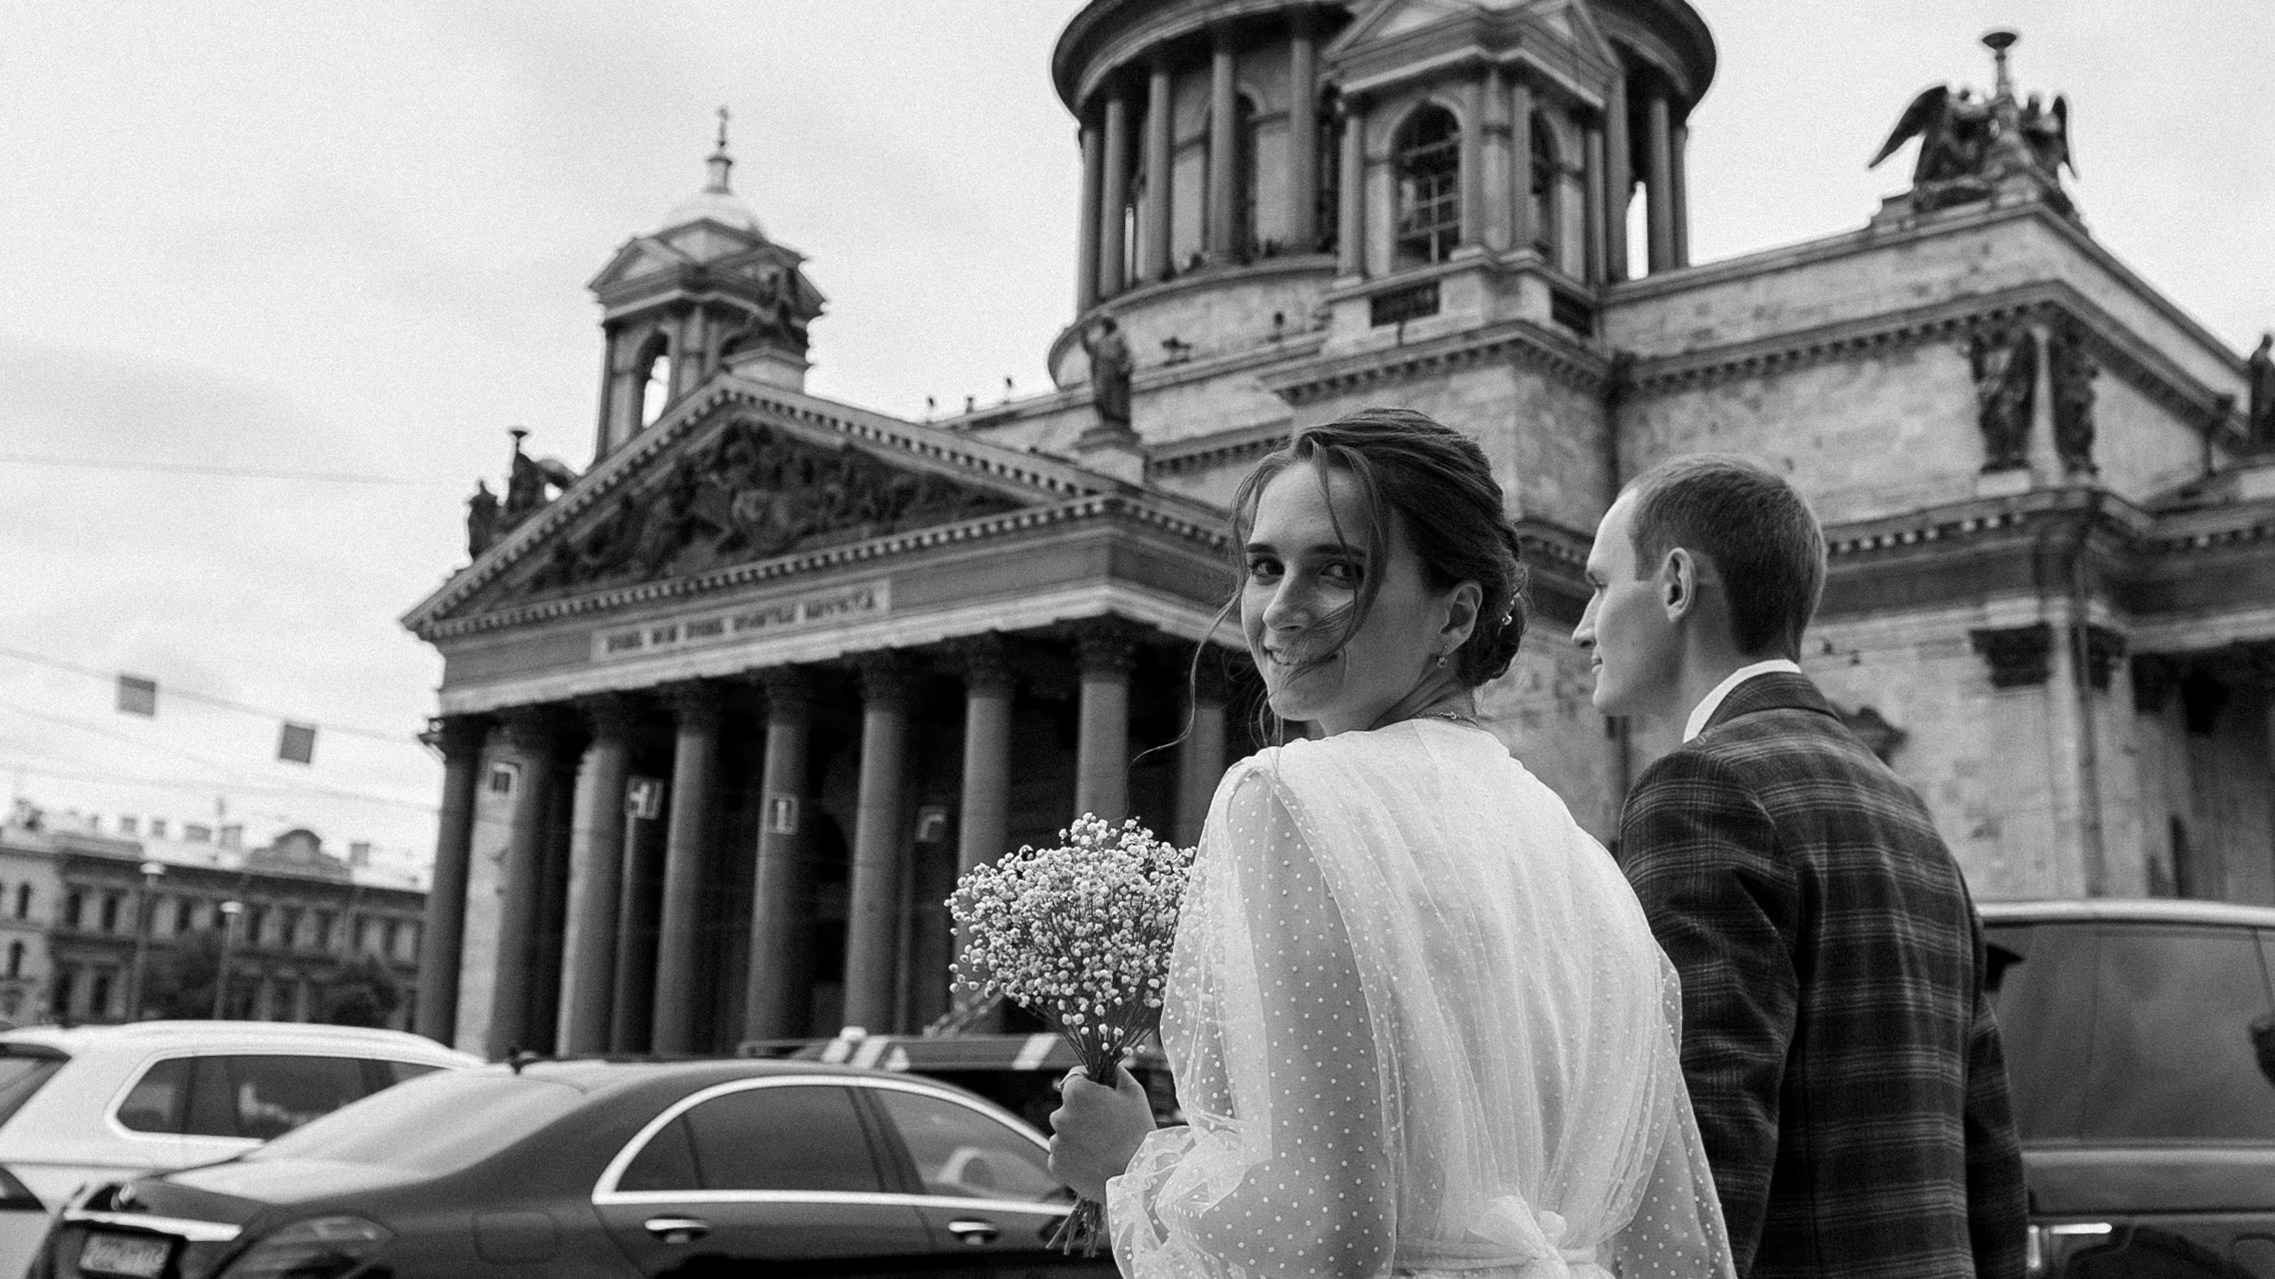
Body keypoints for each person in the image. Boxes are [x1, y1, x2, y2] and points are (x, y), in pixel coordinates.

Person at [1049, 408, 1735, 1279]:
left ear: (1454, 617)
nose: (1281, 609)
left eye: (1338, 570)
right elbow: (1672, 1242)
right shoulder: (1575, 856)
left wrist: (1130, 1167)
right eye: (1264, 567)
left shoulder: (1290, 797)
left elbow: (1320, 1234)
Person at [1572, 454, 2026, 1279]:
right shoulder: (1903, 808)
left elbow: (1702, 1139)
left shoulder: (1699, 788)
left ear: (1674, 585)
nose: (1580, 624)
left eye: (1601, 586)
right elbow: (1987, 1145)